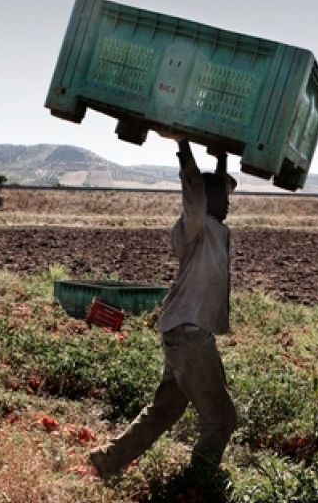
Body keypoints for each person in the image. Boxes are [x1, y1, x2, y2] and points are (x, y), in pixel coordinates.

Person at [89, 139, 238, 478]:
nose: (229, 203)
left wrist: (223, 162)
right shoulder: (195, 225)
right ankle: (198, 485)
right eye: (224, 196)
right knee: (221, 418)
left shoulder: (212, 226)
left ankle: (108, 458)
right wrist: (183, 145)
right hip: (190, 337)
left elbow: (209, 190)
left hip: (182, 333)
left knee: (165, 409)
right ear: (207, 198)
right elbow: (195, 188)